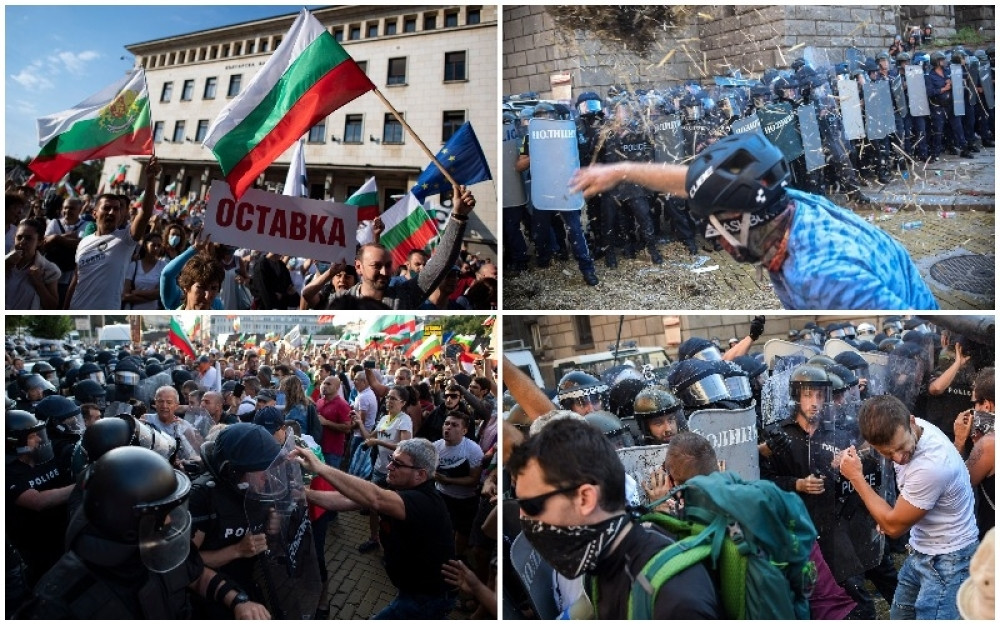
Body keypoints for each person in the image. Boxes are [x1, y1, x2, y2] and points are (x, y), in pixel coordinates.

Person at [569, 132, 940, 309]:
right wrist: (621, 170)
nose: (714, 236)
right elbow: (698, 185)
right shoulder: (787, 202)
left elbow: (908, 329)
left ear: (738, 219)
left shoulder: (821, 277)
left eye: (715, 223)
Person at [16, 446, 270, 619]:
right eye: (162, 513)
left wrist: (239, 601)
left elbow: (195, 575)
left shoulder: (155, 544)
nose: (170, 521)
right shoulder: (60, 601)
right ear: (128, 523)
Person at [507, 417, 721, 618]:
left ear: (585, 498)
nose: (522, 516)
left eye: (530, 505)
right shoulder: (600, 563)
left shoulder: (673, 599)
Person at [839, 394, 979, 620]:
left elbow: (894, 528)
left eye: (901, 447)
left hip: (948, 560)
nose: (899, 458)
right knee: (900, 616)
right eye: (887, 453)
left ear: (912, 421)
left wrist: (856, 477)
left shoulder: (931, 466)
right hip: (922, 549)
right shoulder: (904, 427)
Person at [294, 438, 457, 619]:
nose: (389, 467)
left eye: (397, 464)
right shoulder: (397, 488)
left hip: (429, 598)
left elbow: (375, 498)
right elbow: (345, 500)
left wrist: (320, 468)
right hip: (413, 590)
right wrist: (303, 493)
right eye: (391, 460)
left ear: (420, 475)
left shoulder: (424, 501)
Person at [325, 184, 477, 308]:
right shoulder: (341, 301)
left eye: (389, 265)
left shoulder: (405, 295)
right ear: (358, 267)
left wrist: (458, 217)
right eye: (376, 266)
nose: (385, 272)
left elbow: (441, 263)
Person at [190, 423, 280, 618]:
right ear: (234, 471)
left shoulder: (260, 491)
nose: (269, 475)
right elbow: (185, 565)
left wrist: (272, 530)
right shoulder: (202, 498)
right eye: (262, 469)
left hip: (250, 583)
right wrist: (237, 550)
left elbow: (265, 546)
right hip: (209, 595)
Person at [66, 156, 159, 309]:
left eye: (116, 209)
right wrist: (64, 309)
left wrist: (150, 179)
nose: (111, 212)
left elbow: (145, 214)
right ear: (95, 213)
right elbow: (76, 279)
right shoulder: (84, 242)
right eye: (107, 208)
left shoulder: (125, 240)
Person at [6, 410, 75, 587]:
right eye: (32, 436)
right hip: (36, 549)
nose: (39, 440)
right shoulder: (8, 472)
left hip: (63, 535)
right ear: (15, 442)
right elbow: (38, 502)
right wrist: (82, 485)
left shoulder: (46, 459)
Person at [354, 386, 413, 554]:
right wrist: (359, 422)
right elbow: (368, 438)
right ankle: (374, 538)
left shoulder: (404, 420)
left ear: (403, 402)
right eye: (388, 398)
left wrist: (378, 443)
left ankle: (392, 545)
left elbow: (404, 446)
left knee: (391, 511)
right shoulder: (383, 418)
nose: (389, 401)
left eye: (393, 398)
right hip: (379, 468)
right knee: (373, 506)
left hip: (396, 473)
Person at [433, 412, 484, 556]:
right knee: (440, 528)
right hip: (441, 495)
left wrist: (448, 480)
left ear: (464, 431)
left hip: (465, 500)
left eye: (454, 425)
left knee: (462, 533)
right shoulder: (436, 446)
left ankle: (457, 558)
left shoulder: (473, 450)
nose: (448, 428)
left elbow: (474, 480)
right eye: (446, 423)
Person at [953, 367, 995, 539]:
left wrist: (959, 442)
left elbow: (958, 486)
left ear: (987, 405)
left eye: (974, 403)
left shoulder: (990, 444)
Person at [6, 218, 61, 310]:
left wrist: (38, 283)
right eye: (19, 237)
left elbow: (52, 306)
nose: (22, 242)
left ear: (39, 242)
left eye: (28, 238)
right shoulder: (6, 261)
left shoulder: (49, 270)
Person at [42, 197, 84, 306]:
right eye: (65, 208)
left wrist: (57, 238)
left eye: (72, 208)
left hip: (71, 276)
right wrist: (62, 237)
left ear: (80, 210)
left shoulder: (86, 225)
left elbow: (82, 245)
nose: (67, 211)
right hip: (51, 274)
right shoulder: (54, 223)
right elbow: (45, 243)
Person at [316, 375, 352, 469]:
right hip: (318, 448)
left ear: (337, 387)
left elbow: (347, 429)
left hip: (332, 451)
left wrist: (326, 422)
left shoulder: (342, 405)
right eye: (324, 383)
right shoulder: (319, 402)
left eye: (328, 384)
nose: (324, 386)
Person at [122, 232, 167, 310]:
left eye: (159, 246)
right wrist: (151, 296)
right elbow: (125, 295)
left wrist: (137, 292)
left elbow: (161, 293)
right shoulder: (134, 265)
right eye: (153, 245)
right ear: (146, 246)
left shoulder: (163, 266)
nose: (156, 248)